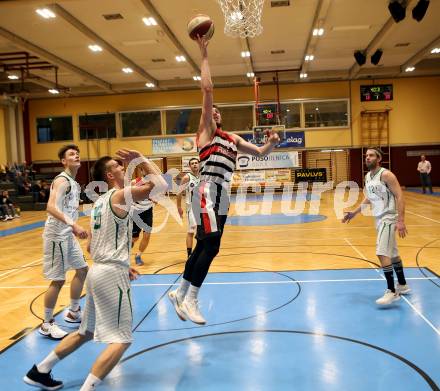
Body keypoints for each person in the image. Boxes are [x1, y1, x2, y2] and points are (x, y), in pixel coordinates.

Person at [23, 149, 167, 390]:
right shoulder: (120, 196)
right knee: (122, 340)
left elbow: (90, 245)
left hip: (98, 271)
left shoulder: (100, 202)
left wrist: (120, 261)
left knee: (85, 332)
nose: (123, 167)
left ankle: (39, 370)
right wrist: (141, 159)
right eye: (119, 166)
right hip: (111, 275)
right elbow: (162, 185)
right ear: (110, 175)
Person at [168, 35, 280, 325]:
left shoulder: (232, 139)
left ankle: (180, 292)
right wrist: (203, 53)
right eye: (209, 110)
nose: (212, 111)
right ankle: (191, 298)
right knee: (212, 245)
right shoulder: (206, 134)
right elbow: (207, 88)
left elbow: (260, 152)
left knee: (207, 245)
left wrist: (273, 142)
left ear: (221, 117)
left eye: (216, 111)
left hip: (222, 194)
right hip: (206, 189)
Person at [342, 147, 410, 305]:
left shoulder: (386, 174)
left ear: (379, 159)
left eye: (371, 155)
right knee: (392, 253)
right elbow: (368, 199)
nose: (367, 158)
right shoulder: (368, 176)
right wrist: (354, 212)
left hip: (389, 216)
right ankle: (403, 285)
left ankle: (392, 291)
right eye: (366, 155)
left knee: (381, 252)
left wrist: (401, 220)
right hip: (378, 218)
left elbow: (400, 195)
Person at [38, 145, 88, 340]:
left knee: (82, 269)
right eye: (71, 154)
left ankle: (74, 311)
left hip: (67, 233)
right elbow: (50, 207)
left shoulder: (74, 183)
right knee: (58, 280)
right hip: (56, 235)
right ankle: (47, 323)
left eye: (77, 153)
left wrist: (73, 227)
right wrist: (74, 225)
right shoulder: (62, 180)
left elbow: (66, 210)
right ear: (63, 161)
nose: (76, 155)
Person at [176, 158, 200, 257]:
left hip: (203, 208)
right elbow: (179, 193)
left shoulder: (203, 176)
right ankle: (189, 255)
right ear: (190, 166)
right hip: (192, 208)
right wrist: (179, 207)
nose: (194, 165)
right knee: (192, 231)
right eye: (192, 163)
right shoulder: (187, 178)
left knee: (201, 231)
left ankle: (199, 252)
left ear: (199, 164)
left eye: (196, 163)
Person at [131, 165, 155, 266]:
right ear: (141, 171)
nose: (146, 170)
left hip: (148, 211)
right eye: (143, 169)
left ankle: (138, 255)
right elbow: (131, 196)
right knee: (134, 238)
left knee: (147, 235)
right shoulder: (134, 182)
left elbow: (156, 195)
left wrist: (155, 198)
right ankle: (122, 254)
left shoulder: (154, 183)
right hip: (136, 212)